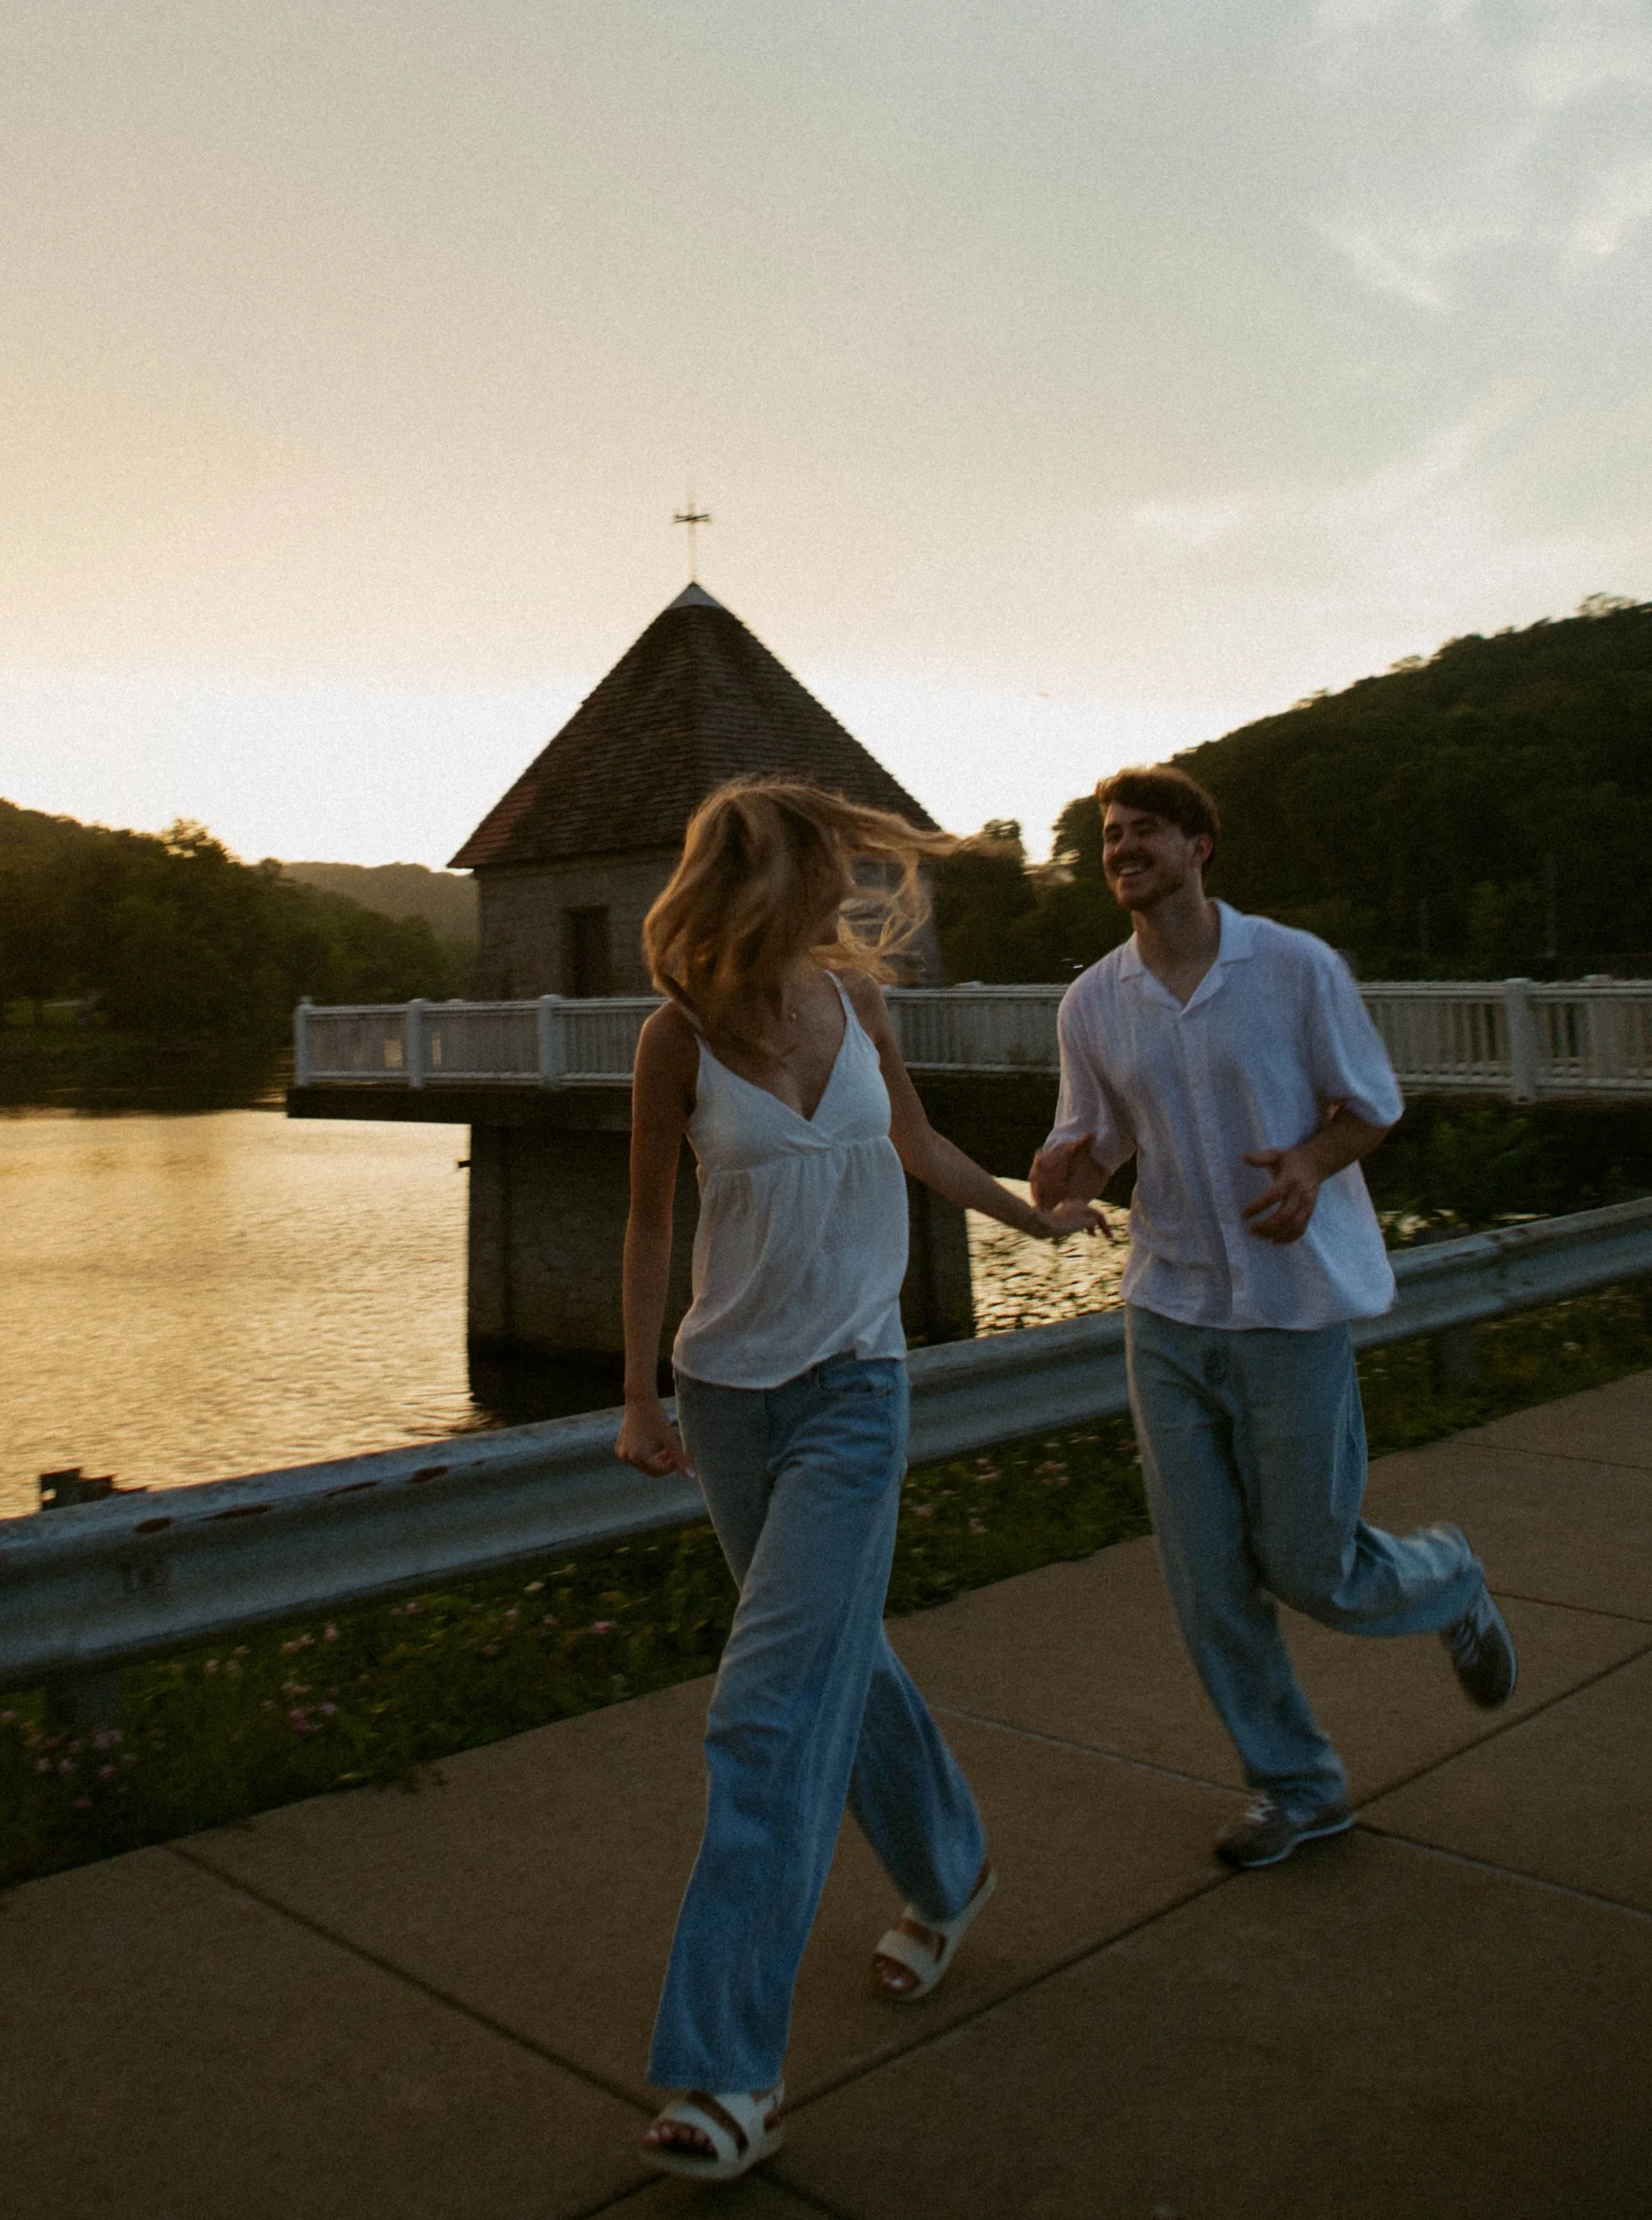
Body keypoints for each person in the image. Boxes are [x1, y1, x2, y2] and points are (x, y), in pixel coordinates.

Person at [617, 776, 1106, 2184]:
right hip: (726, 1403)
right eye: (825, 868)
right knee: (840, 1657)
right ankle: (952, 1872)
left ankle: (726, 2069)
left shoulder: (858, 1010)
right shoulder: (674, 1041)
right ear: (764, 881)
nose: (847, 893)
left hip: (851, 1392)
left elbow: (919, 1145)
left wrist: (1036, 1212)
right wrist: (641, 1390)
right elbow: (651, 1220)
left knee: (765, 1709)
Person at [1031, 766, 1518, 1875]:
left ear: (1201, 846)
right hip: (1168, 1307)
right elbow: (1091, 1146)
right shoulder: (1092, 1001)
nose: (1123, 848)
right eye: (1111, 835)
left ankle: (1447, 1578)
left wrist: (1307, 1158)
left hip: (1291, 1311)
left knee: (1312, 1564)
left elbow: (1371, 1105)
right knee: (1207, 1579)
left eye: (1145, 829)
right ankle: (1296, 1783)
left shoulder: (1293, 967)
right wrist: (1065, 1169)